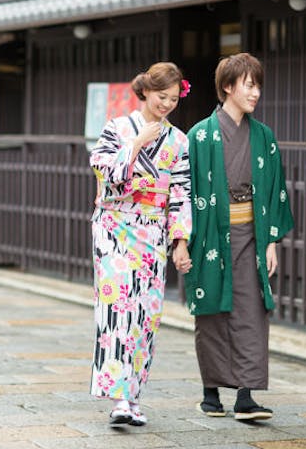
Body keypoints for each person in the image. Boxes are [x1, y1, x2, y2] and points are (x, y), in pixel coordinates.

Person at [185, 53, 293, 421]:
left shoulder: (264, 137)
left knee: (252, 310)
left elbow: (276, 189)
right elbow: (183, 194)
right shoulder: (199, 136)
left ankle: (246, 396)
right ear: (228, 87)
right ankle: (210, 391)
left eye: (258, 84)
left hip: (252, 234)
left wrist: (272, 240)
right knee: (212, 309)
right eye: (249, 84)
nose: (256, 92)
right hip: (209, 235)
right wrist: (181, 240)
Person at [89, 62, 193, 426]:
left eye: (173, 99)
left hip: (152, 232)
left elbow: (181, 192)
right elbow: (101, 169)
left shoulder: (179, 141)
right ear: (145, 92)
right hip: (116, 228)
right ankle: (118, 398)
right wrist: (134, 145)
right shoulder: (117, 128)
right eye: (161, 96)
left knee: (146, 314)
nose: (166, 104)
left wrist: (180, 241)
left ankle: (134, 397)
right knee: (119, 308)